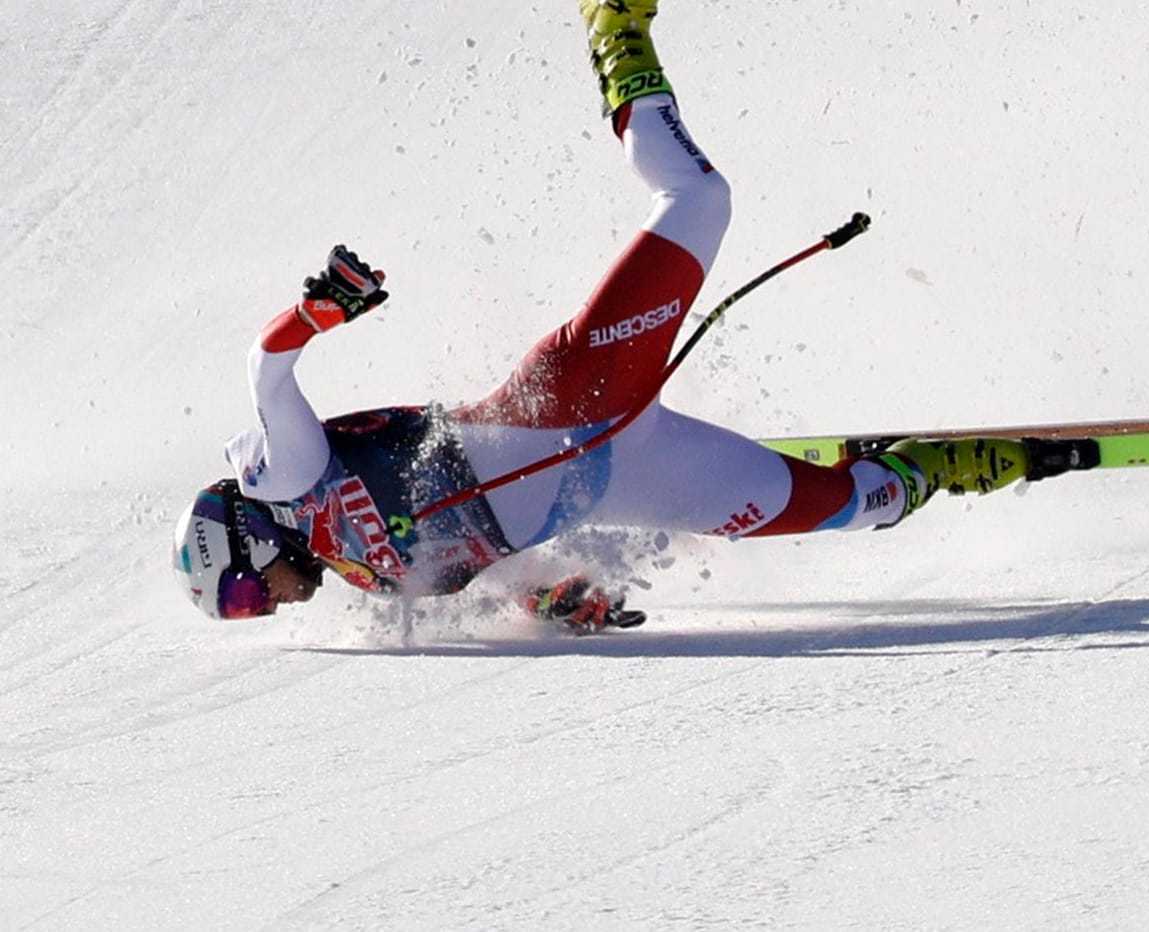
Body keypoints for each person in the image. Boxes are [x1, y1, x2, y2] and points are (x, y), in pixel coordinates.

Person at [172, 0, 1030, 631]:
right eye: (250, 613)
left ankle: (615, 32)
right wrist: (554, 600)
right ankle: (943, 467)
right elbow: (485, 563)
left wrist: (315, 312)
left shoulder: (284, 479)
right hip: (627, 473)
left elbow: (265, 367)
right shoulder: (365, 577)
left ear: (247, 542)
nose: (268, 607)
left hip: (575, 396)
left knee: (698, 196)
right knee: (853, 507)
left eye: (248, 595)